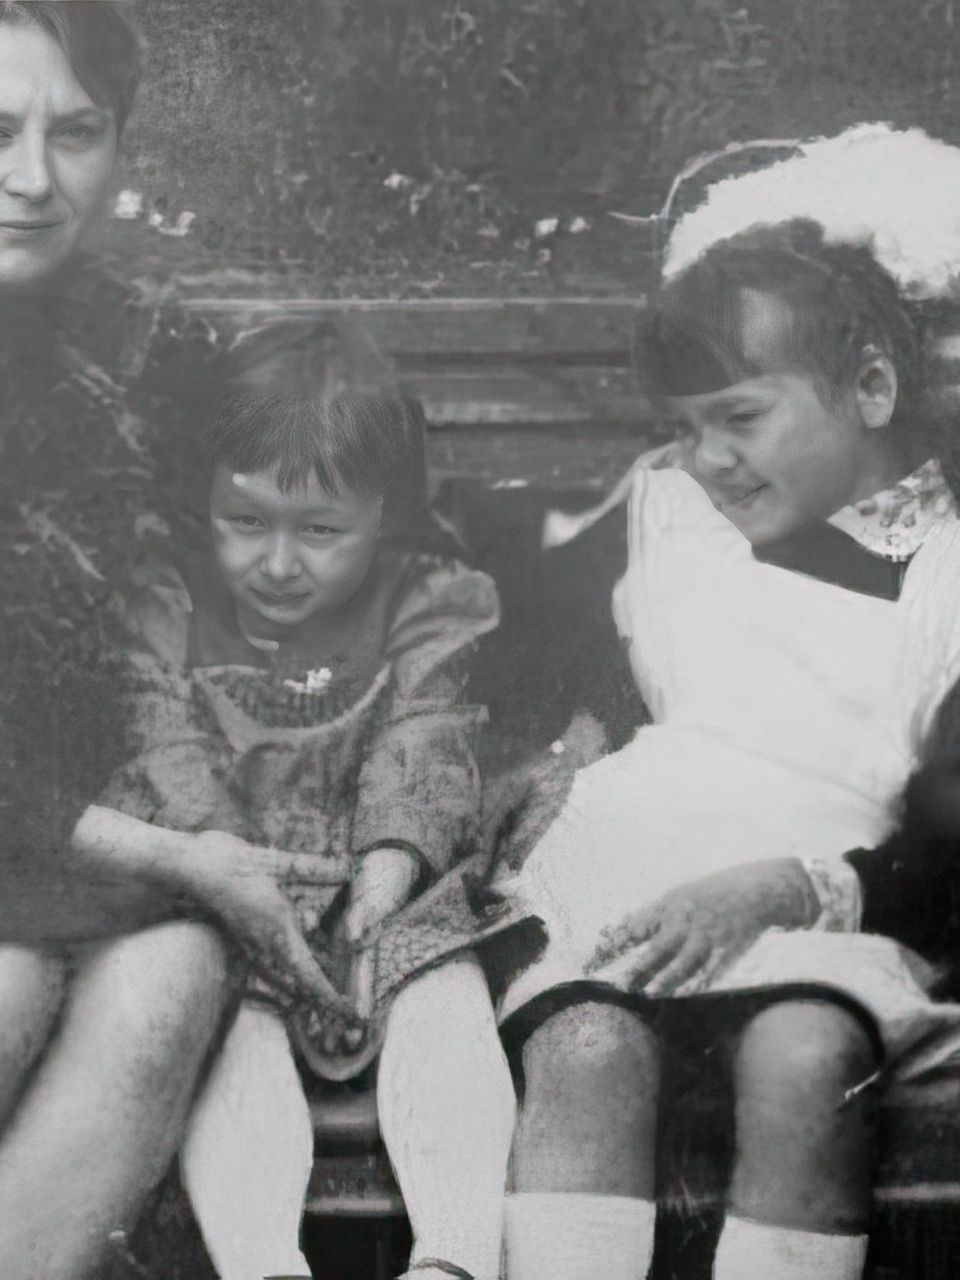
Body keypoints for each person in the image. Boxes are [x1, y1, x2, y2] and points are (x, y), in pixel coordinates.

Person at [359, 124, 960, 1280]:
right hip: (621, 894)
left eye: (741, 416)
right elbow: (570, 645)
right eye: (686, 427)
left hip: (823, 907)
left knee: (803, 1054)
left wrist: (793, 885)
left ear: (874, 389)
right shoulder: (674, 510)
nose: (708, 456)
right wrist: (567, 742)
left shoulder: (943, 574)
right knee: (586, 1044)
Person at [0, 8, 357, 1277]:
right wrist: (179, 852)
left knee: (174, 970)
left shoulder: (150, 349)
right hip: (50, 843)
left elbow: (348, 517)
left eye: (75, 132)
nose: (33, 178)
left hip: (61, 833)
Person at [98, 377, 500, 1279]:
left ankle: (455, 1258)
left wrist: (391, 860)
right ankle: (265, 1264)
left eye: (321, 531)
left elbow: (424, 730)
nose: (278, 562)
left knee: (440, 979)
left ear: (384, 518)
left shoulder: (421, 597)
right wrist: (222, 855)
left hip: (375, 873)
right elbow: (165, 743)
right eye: (245, 522)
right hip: (227, 876)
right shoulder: (171, 602)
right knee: (219, 1014)